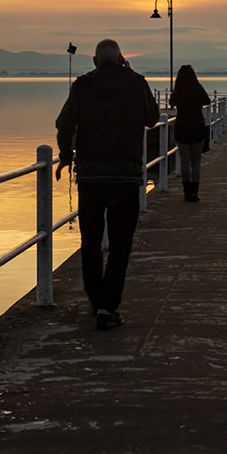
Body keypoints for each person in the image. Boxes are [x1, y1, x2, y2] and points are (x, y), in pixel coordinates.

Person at [55, 38, 160, 329]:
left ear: (95, 61)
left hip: (89, 176)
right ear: (122, 58)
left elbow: (63, 124)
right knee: (120, 243)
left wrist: (66, 155)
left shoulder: (81, 85)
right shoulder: (135, 82)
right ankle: (107, 306)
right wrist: (131, 74)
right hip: (125, 175)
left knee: (90, 241)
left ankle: (95, 299)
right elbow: (152, 119)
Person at [170, 64, 212, 202]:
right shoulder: (197, 88)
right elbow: (207, 101)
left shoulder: (179, 90)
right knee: (195, 162)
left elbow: (172, 102)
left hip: (182, 127)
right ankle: (194, 192)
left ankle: (186, 192)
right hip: (196, 126)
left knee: (184, 161)